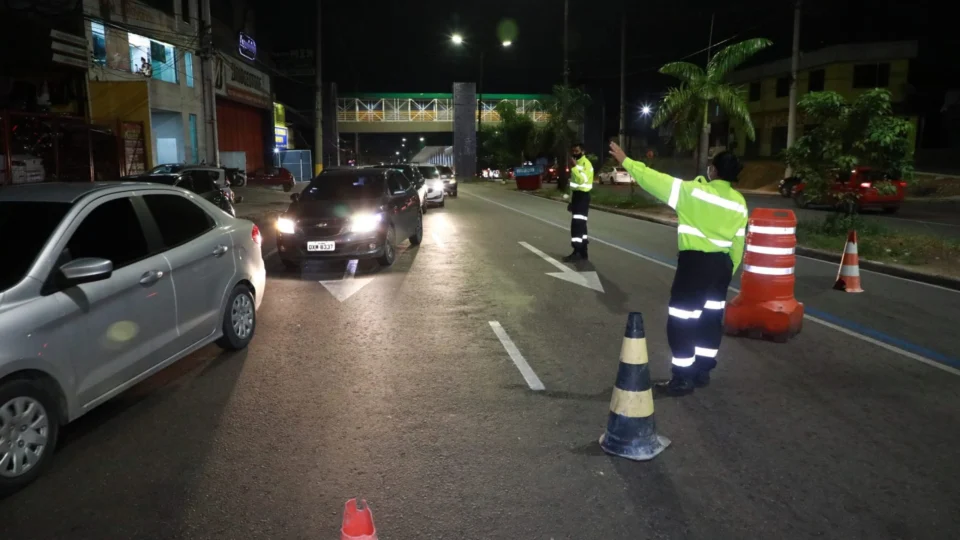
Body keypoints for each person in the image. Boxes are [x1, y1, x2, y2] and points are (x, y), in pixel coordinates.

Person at [608, 142, 748, 396]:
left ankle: (683, 377)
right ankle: (703, 371)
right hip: (722, 267)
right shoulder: (739, 202)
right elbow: (739, 243)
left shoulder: (692, 192)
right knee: (710, 319)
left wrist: (627, 162)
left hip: (695, 264)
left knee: (682, 320)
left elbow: (654, 180)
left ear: (713, 171)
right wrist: (727, 270)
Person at [564, 143, 594, 262]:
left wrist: (575, 167)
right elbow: (574, 186)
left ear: (583, 151)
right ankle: (583, 251)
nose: (575, 153)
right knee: (581, 225)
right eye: (573, 151)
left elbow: (582, 180)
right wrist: (571, 201)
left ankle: (577, 251)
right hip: (577, 197)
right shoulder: (577, 164)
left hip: (583, 197)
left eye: (577, 151)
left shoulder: (585, 164)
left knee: (577, 225)